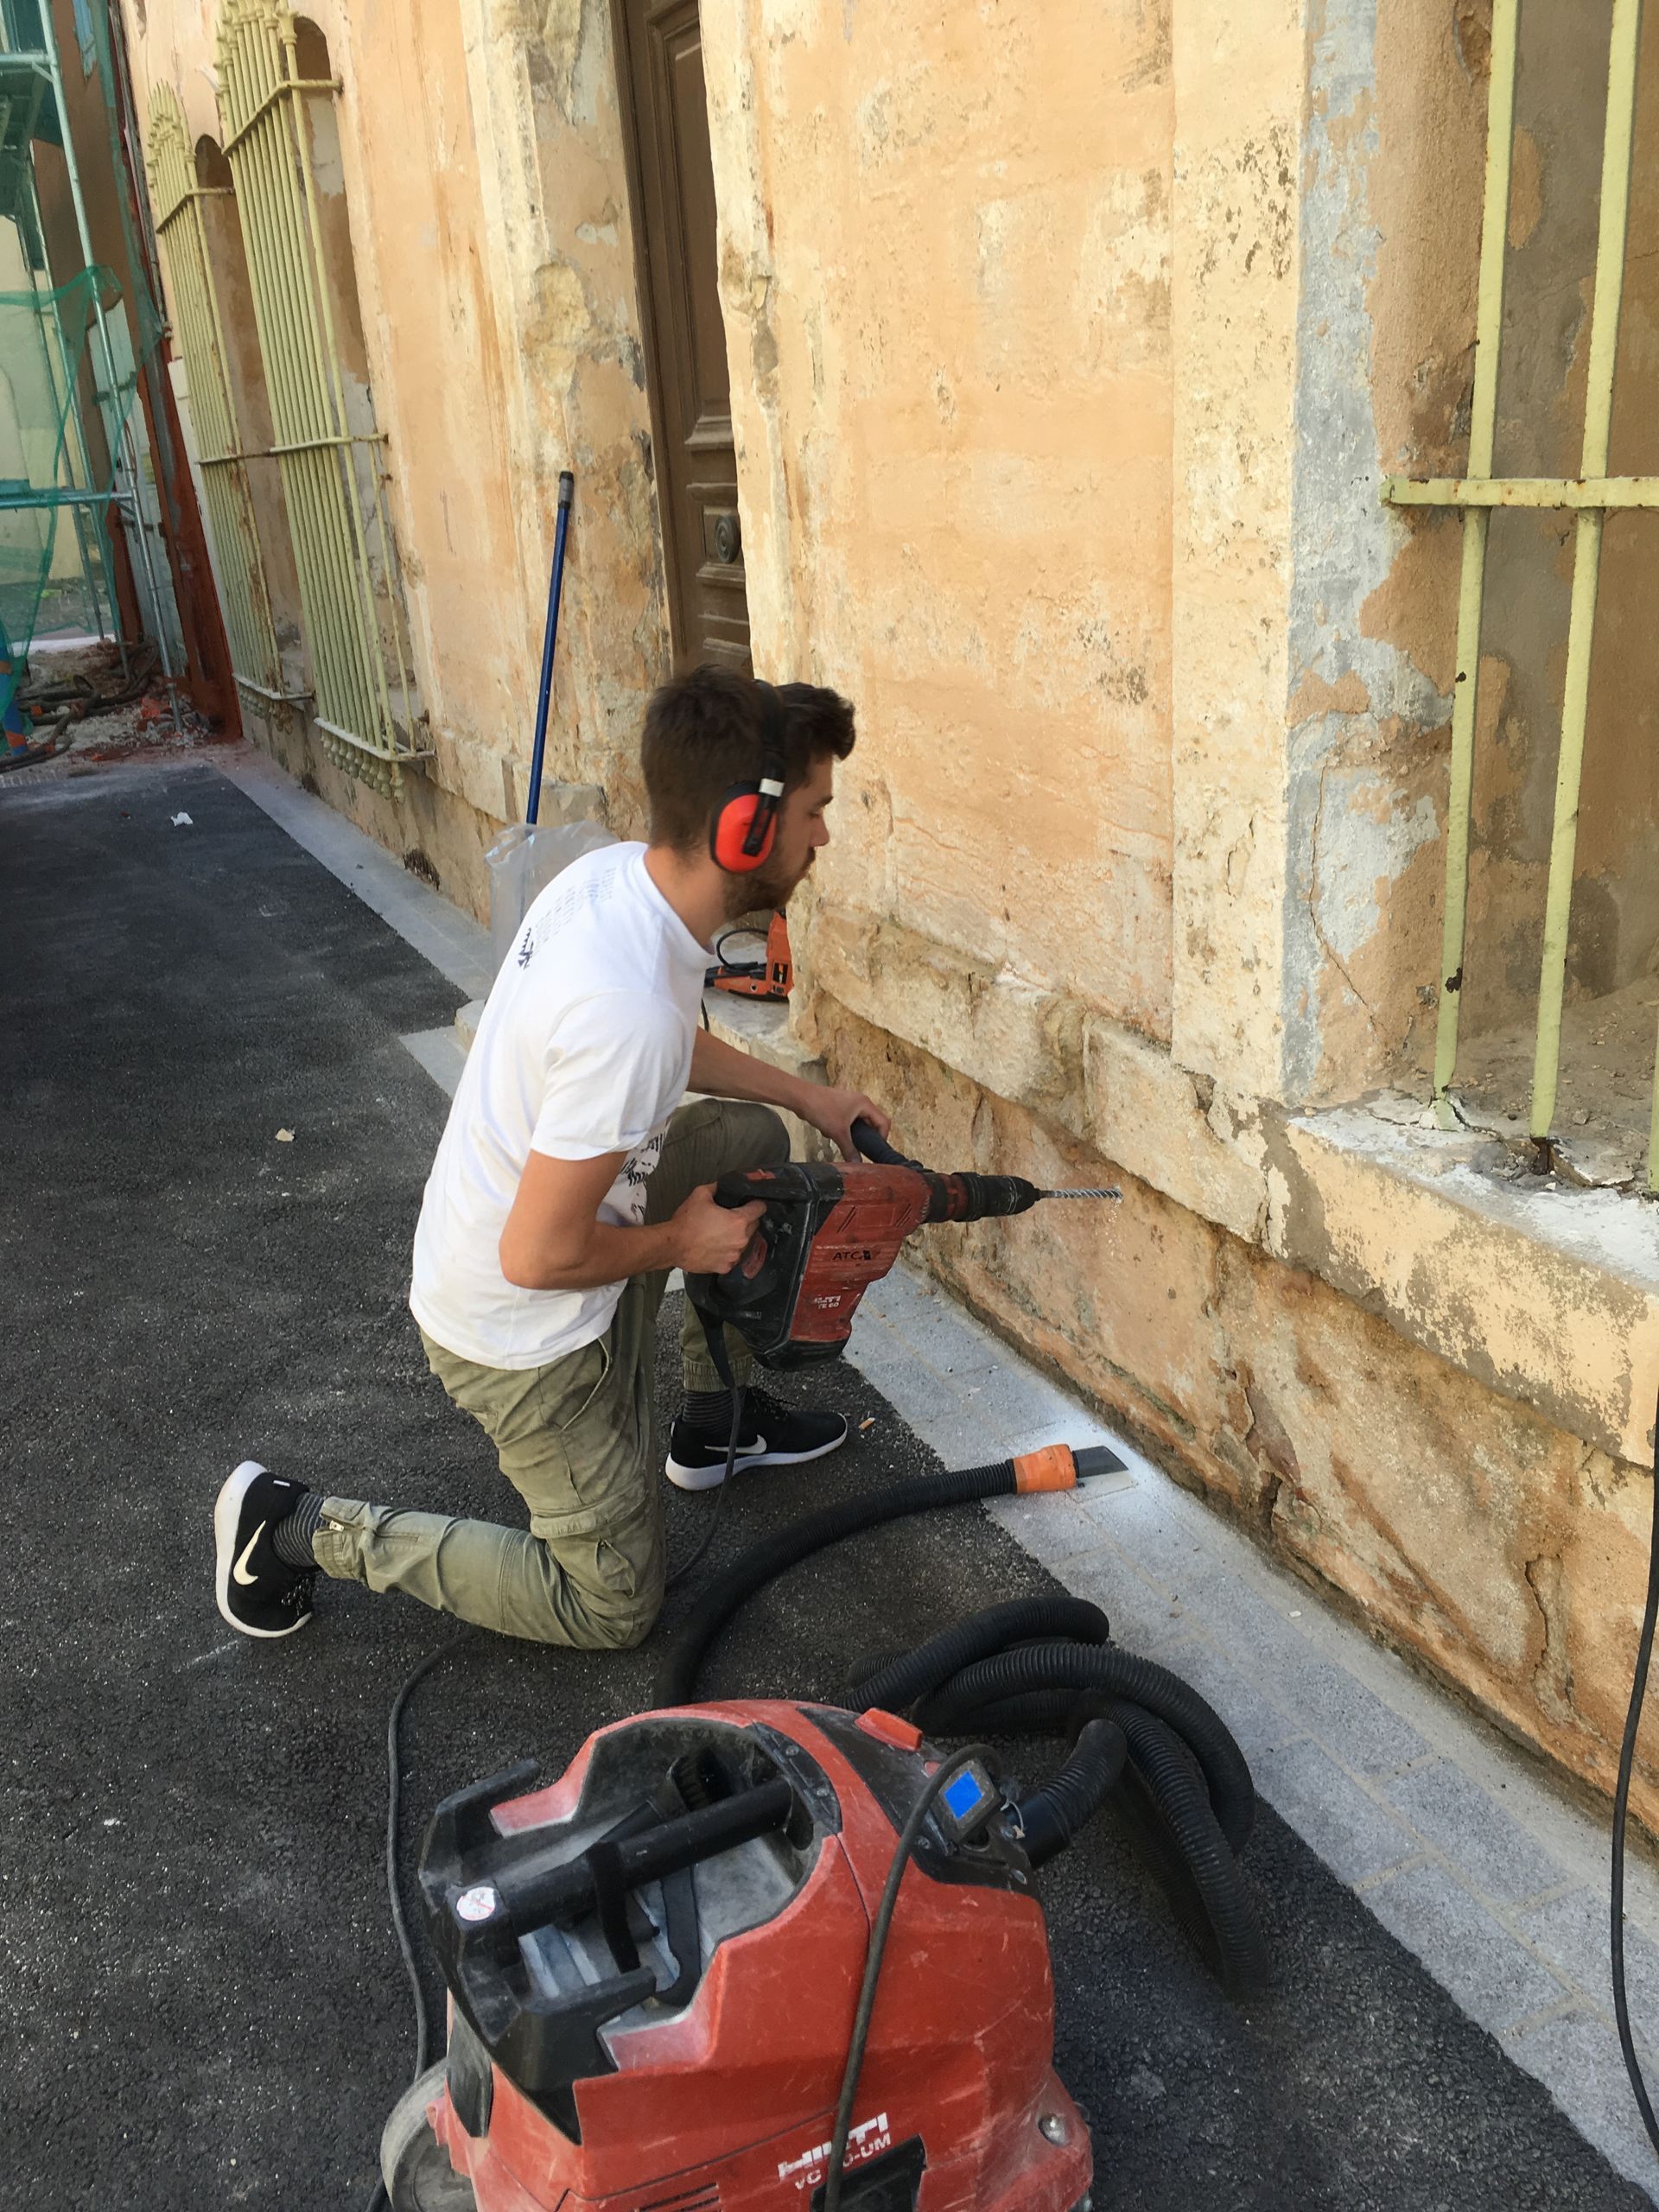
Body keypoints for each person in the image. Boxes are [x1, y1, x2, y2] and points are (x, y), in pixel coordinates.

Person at [213, 666, 889, 1648]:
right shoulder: (627, 1011)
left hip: (541, 1237)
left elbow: (660, 1040)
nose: (824, 836)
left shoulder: (617, 880)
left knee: (750, 1141)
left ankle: (715, 1426)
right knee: (612, 1606)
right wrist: (685, 1242)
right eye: (817, 811)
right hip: (516, 1333)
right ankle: (296, 1528)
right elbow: (535, 1255)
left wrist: (806, 1092)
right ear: (747, 828)